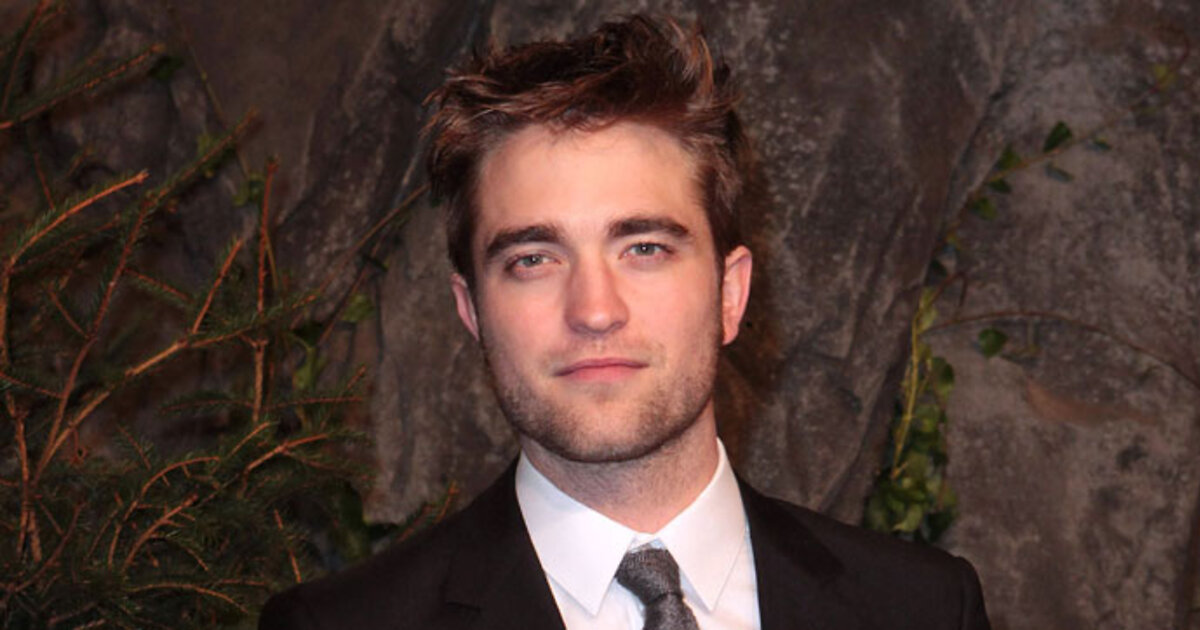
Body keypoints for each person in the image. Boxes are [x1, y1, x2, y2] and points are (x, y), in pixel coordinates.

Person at [259, 14, 991, 630]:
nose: (595, 311)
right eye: (533, 260)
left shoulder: (925, 608)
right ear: (471, 311)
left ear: (731, 294)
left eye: (644, 249)